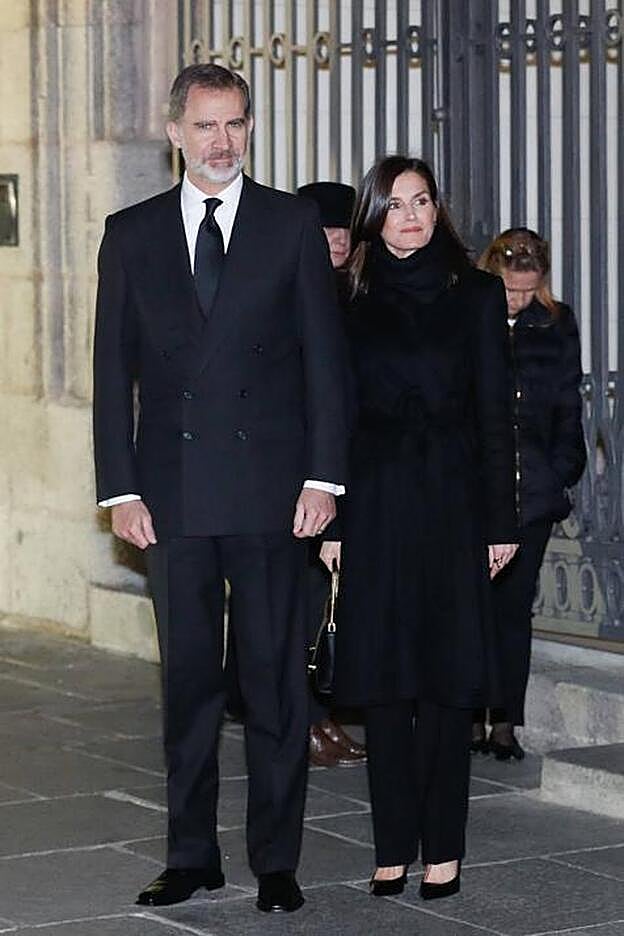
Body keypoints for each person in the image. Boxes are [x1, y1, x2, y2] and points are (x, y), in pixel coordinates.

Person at [92, 63, 349, 914]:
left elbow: (326, 361)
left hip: (274, 494)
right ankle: (191, 854)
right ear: (175, 133)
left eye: (235, 124)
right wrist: (119, 491)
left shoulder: (290, 224)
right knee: (190, 686)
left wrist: (323, 479)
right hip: (170, 499)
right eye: (205, 126)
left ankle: (277, 861)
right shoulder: (130, 234)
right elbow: (108, 378)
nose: (222, 142)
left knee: (276, 683)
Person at [320, 156, 518, 900]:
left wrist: (502, 520)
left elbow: (497, 416)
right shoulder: (346, 298)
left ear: (438, 210)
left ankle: (445, 848)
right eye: (396, 203)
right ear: (374, 216)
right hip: (371, 506)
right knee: (384, 688)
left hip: (453, 504)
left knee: (444, 684)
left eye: (423, 200)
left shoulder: (476, 293)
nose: (411, 214)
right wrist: (330, 518)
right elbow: (330, 416)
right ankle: (391, 844)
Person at [473, 228, 586, 760]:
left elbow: (569, 400)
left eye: (526, 289)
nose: (517, 298)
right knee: (471, 605)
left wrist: (563, 467)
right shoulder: (470, 314)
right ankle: (470, 714)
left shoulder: (557, 322)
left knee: (513, 606)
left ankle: (505, 721)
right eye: (510, 288)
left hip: (535, 487)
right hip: (475, 484)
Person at [297, 181, 366, 768]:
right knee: (302, 600)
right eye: (326, 230)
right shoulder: (294, 290)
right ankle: (304, 719)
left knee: (330, 601)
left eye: (345, 229)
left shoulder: (355, 291)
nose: (338, 240)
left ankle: (323, 714)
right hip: (300, 473)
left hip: (347, 467)